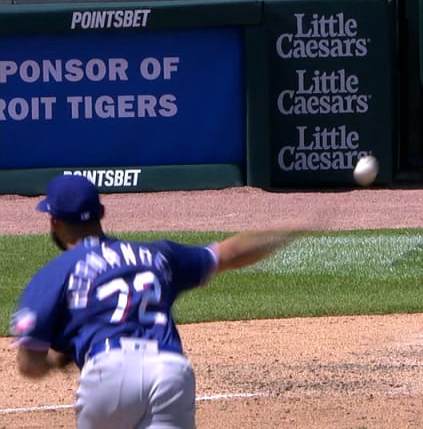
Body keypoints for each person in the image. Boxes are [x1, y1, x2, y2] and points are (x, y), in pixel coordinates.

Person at [9, 174, 307, 428]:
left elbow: (30, 364)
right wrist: (295, 226)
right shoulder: (158, 255)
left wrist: (56, 359)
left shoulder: (55, 273)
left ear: (54, 221)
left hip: (108, 374)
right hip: (170, 370)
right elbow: (229, 253)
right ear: (101, 213)